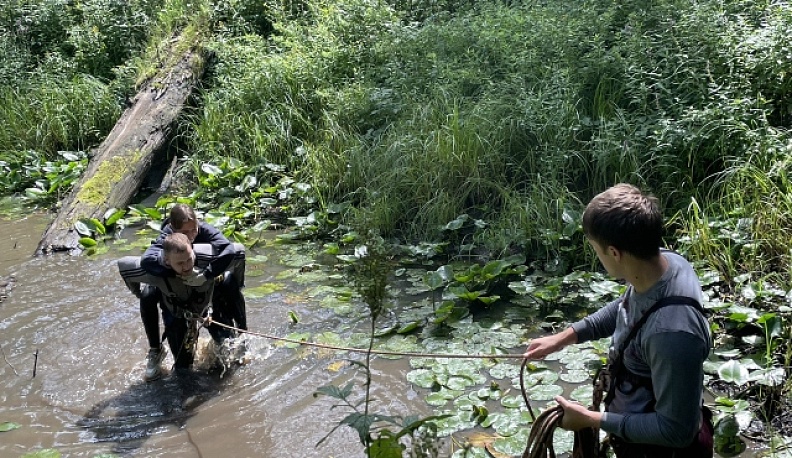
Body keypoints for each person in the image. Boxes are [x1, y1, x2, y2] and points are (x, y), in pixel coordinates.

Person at [524, 184, 713, 457]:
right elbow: (628, 307)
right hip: (636, 441)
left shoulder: (672, 334)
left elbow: (676, 431)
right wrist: (563, 337)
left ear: (614, 253)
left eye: (596, 251)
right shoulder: (667, 265)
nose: (598, 258)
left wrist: (591, 420)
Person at [138, 203, 246, 381]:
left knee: (228, 354)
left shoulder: (204, 230)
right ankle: (156, 350)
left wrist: (206, 274)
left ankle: (243, 335)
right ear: (173, 229)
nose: (191, 236)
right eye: (185, 233)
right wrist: (175, 271)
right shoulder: (166, 237)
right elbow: (147, 261)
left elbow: (229, 249)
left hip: (208, 294)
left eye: (193, 230)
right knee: (182, 369)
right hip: (177, 300)